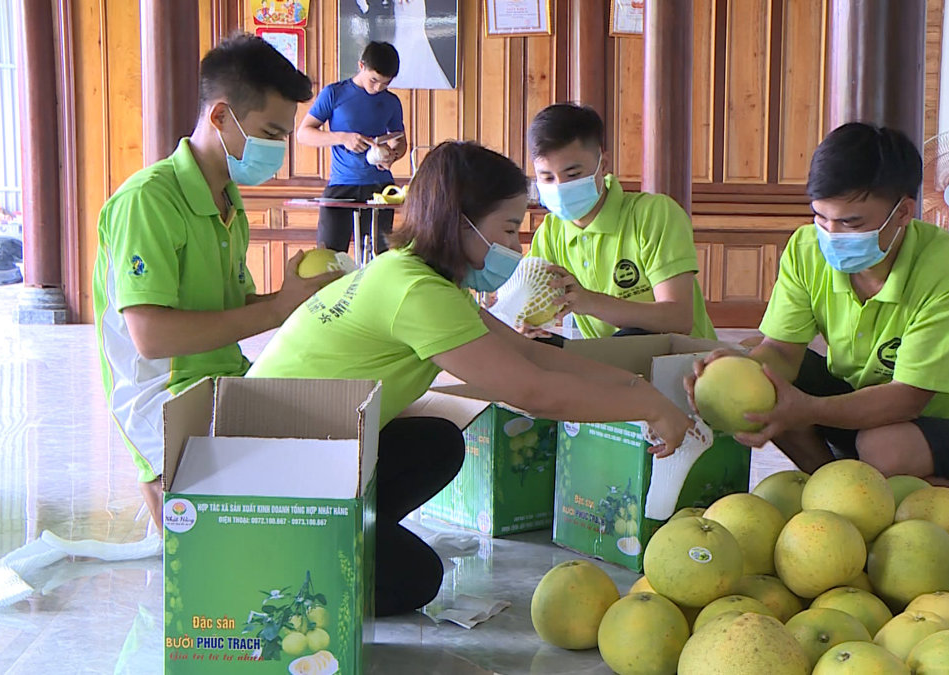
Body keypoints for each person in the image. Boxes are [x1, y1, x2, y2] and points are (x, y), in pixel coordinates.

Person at [246, 141, 694, 615]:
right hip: (267, 484)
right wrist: (647, 407)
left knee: (436, 443)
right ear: (461, 222)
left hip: (302, 457)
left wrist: (639, 389)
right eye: (509, 229)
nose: (516, 248)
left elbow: (528, 353)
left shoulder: (414, 276)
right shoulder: (416, 293)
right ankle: (291, 555)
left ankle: (349, 529)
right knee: (416, 578)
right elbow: (533, 391)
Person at [686, 122, 949, 506]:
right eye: (820, 217)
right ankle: (837, 490)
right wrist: (735, 374)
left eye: (851, 222)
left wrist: (806, 409)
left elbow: (908, 399)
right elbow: (779, 351)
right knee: (768, 382)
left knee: (882, 446)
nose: (831, 234)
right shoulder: (806, 249)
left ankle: (904, 493)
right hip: (860, 410)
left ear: (903, 212)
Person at [92, 34, 341, 532]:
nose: (278, 150)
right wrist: (275, 309)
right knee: (236, 539)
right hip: (163, 399)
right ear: (221, 116)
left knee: (334, 453)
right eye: (270, 133)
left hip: (225, 380)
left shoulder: (228, 198)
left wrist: (297, 300)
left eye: (283, 137)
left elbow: (233, 306)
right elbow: (152, 337)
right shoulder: (148, 201)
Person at [524, 103, 717, 341]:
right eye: (547, 178)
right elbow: (529, 298)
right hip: (610, 359)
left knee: (632, 335)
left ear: (603, 165)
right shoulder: (550, 232)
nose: (560, 187)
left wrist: (591, 302)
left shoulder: (653, 215)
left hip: (683, 358)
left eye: (573, 175)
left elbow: (678, 318)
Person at [297, 41, 407, 255]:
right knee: (328, 256)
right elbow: (303, 133)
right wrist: (342, 138)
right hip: (341, 185)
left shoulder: (391, 102)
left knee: (379, 259)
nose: (378, 88)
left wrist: (392, 155)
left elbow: (400, 141)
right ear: (361, 66)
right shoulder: (334, 93)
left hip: (380, 188)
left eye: (385, 83)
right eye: (374, 80)